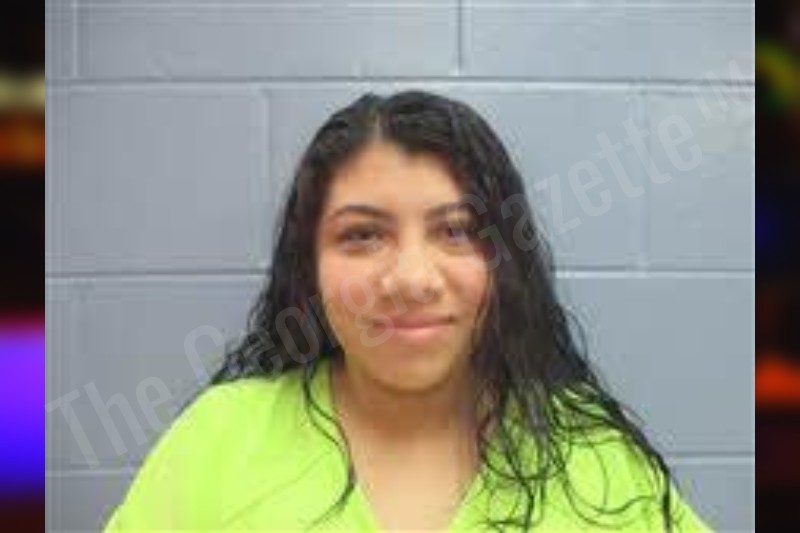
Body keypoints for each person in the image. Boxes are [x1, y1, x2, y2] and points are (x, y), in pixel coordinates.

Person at [105, 91, 710, 531]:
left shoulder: (596, 454)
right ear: (308, 266)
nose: (412, 279)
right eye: (362, 235)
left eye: (456, 231)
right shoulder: (218, 439)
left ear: (504, 260)